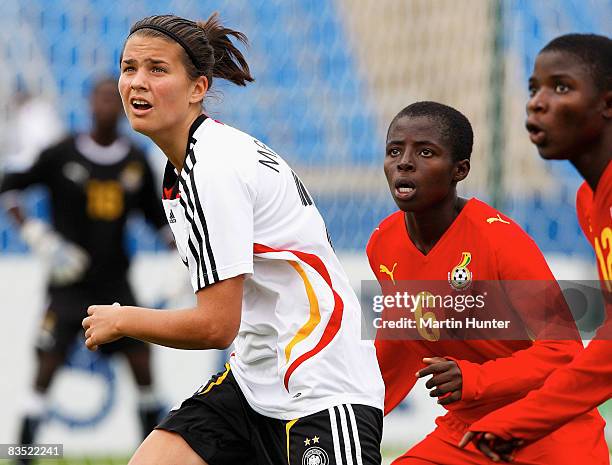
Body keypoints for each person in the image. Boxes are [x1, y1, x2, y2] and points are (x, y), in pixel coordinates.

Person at [82, 13, 384, 465]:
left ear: (198, 88)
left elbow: (215, 325)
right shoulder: (185, 165)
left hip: (319, 388)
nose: (137, 83)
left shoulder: (213, 168)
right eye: (129, 68)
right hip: (253, 382)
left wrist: (122, 319)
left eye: (157, 69)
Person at [367, 101, 609, 464]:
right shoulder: (382, 243)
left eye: (426, 152)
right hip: (466, 433)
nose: (404, 162)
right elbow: (400, 340)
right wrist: (358, 411)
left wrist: (475, 379)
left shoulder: (501, 241)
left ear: (459, 170)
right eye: (394, 150)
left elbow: (563, 350)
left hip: (549, 431)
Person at [459, 33, 612, 462]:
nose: (536, 102)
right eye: (533, 89)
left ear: (608, 103)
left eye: (560, 87)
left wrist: (519, 419)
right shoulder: (589, 201)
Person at [0, 76, 170, 460]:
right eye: (101, 98)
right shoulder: (62, 153)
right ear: (89, 104)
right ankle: (24, 452)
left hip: (115, 286)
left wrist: (183, 253)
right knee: (45, 367)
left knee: (142, 364)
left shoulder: (134, 160)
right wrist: (34, 232)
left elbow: (157, 218)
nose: (107, 105)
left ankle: (153, 451)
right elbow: (9, 186)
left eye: (115, 99)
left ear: (125, 109)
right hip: (67, 286)